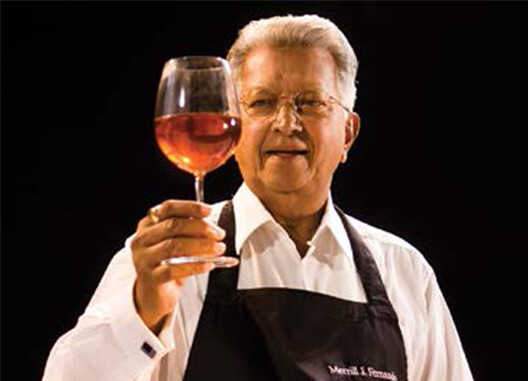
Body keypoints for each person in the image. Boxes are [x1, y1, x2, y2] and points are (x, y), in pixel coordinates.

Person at [43, 14, 473, 381]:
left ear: (348, 133)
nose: (286, 123)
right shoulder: (167, 262)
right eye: (262, 102)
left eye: (310, 103)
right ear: (233, 126)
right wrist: (145, 311)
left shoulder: (404, 270)